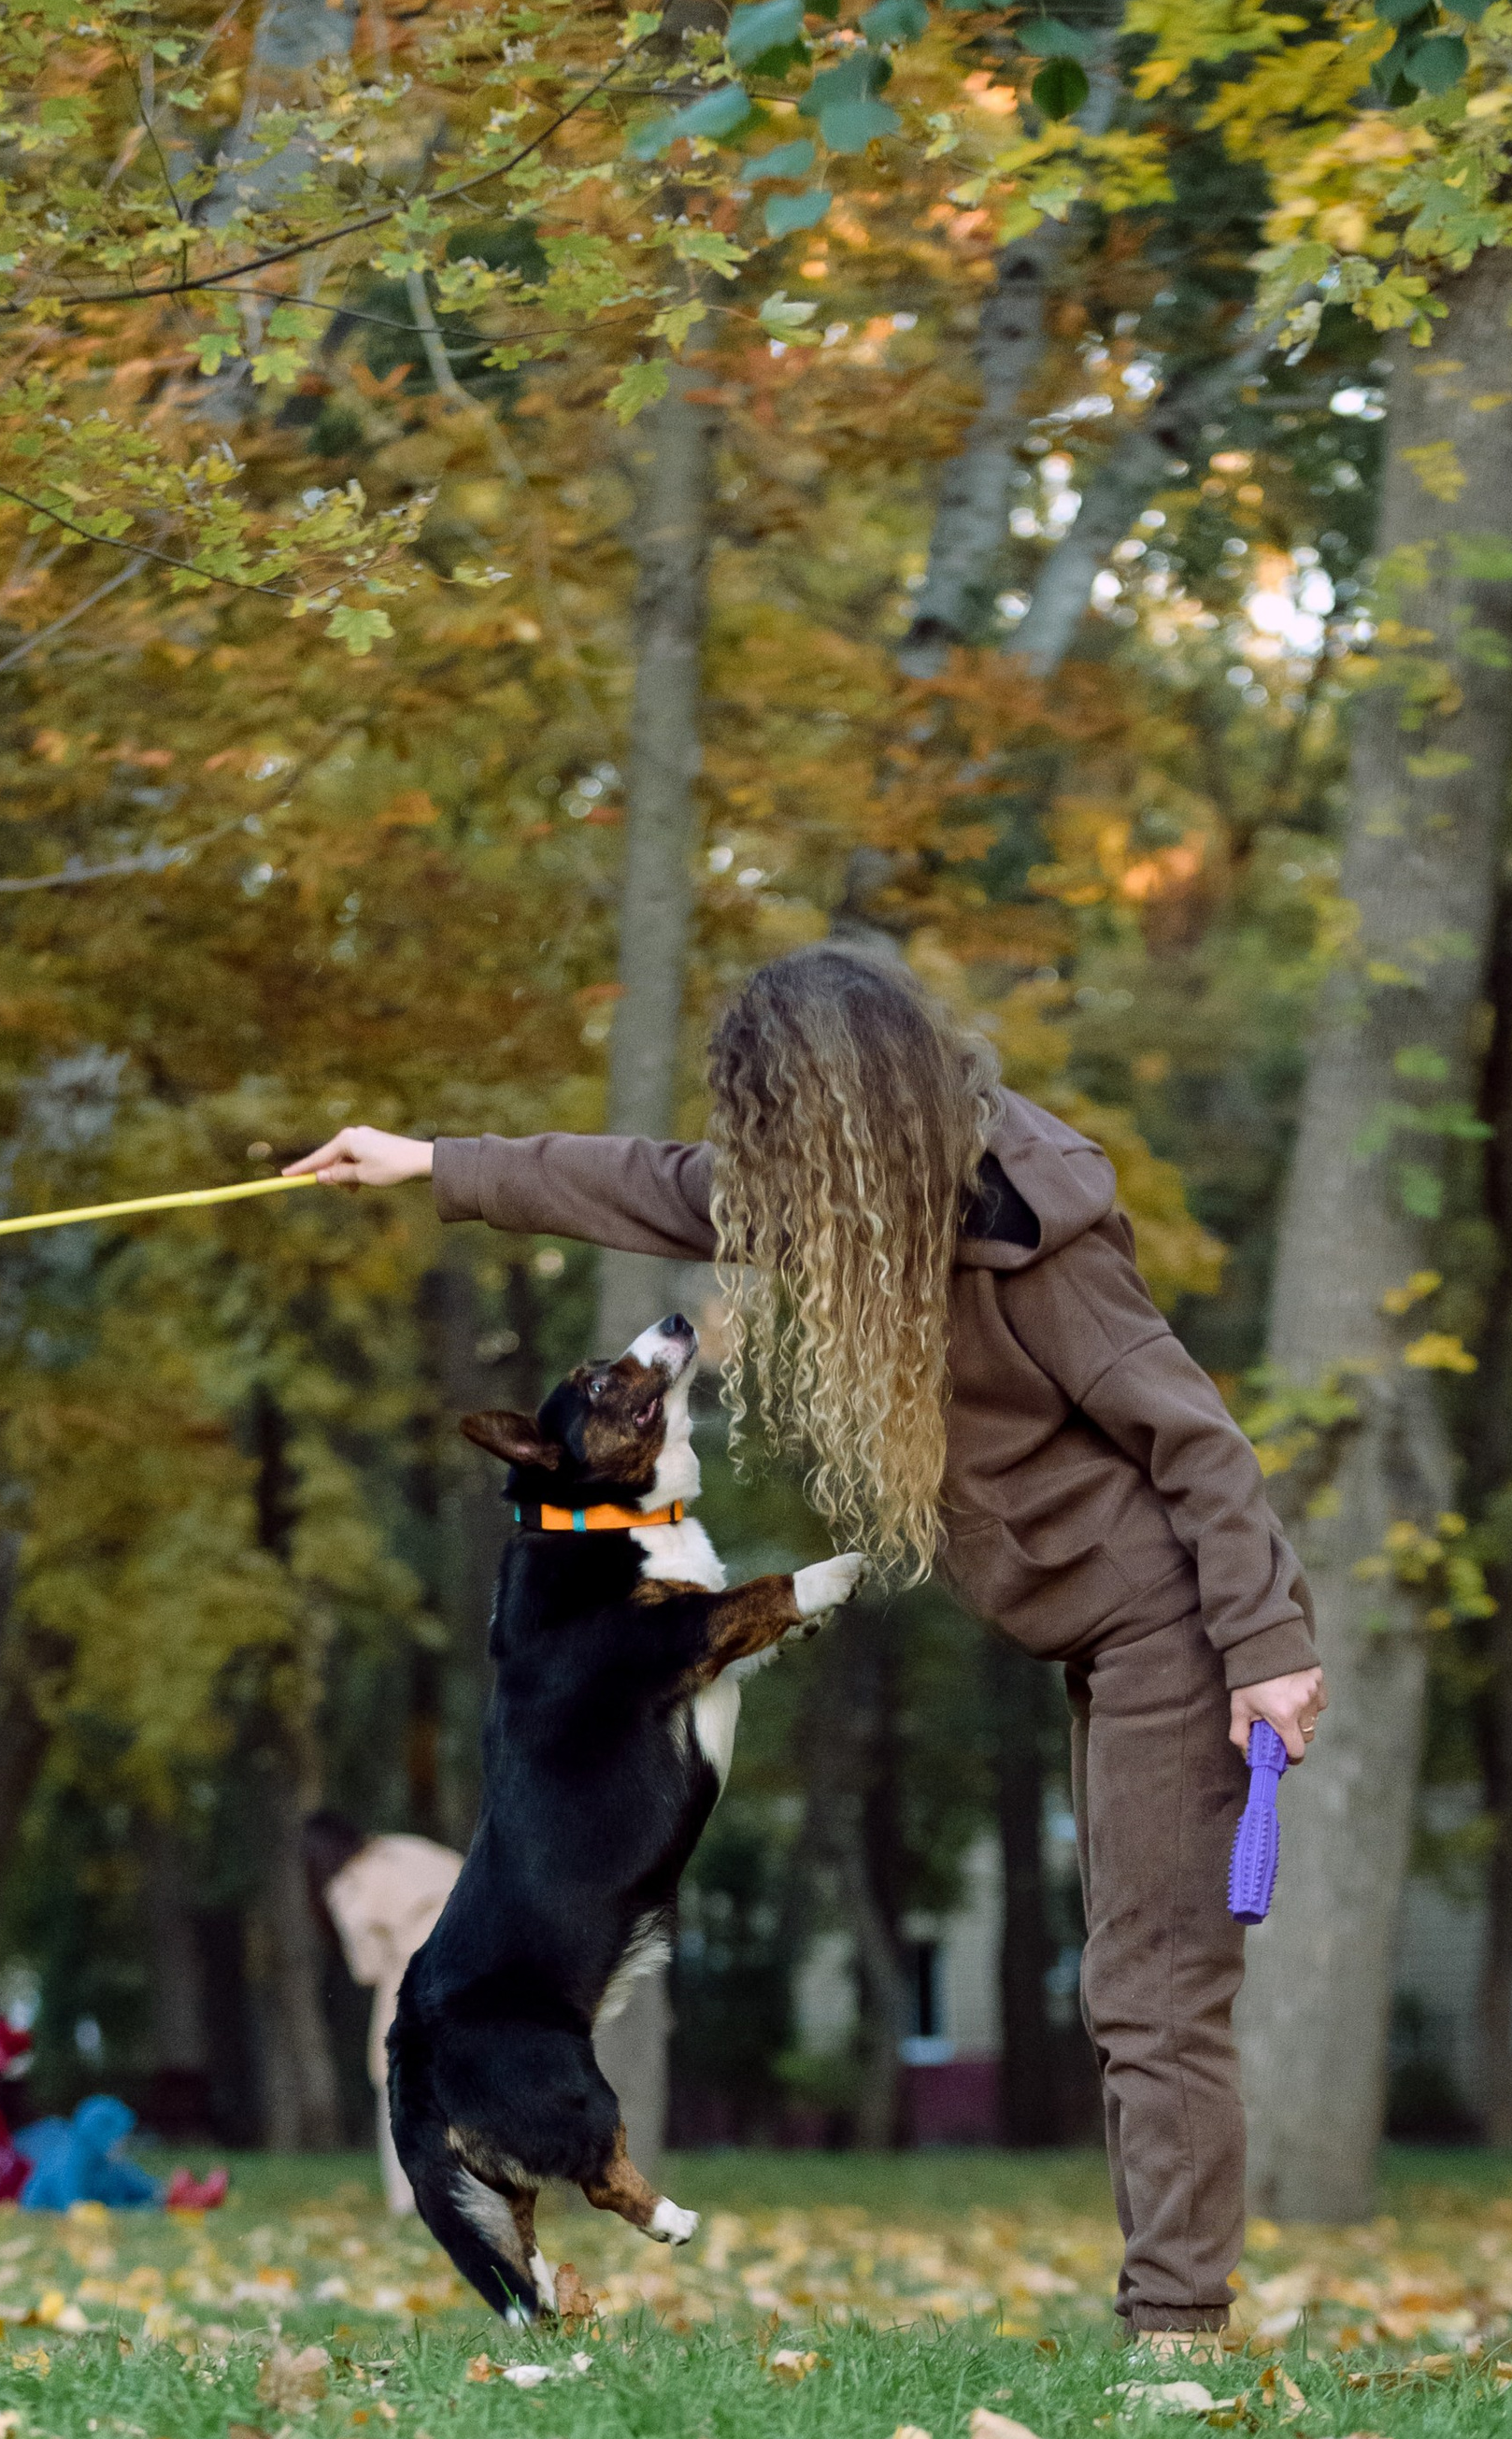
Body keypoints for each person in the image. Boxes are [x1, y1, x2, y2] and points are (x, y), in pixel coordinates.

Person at [289, 943, 1325, 2351]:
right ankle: (1172, 2318)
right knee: (1131, 1991)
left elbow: (1194, 1439)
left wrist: (1264, 1642)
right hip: (1090, 1629)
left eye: (773, 1127)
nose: (751, 1165)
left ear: (846, 1113)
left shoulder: (1033, 1229)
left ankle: (1177, 2333)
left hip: (1175, 1627)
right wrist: (429, 1163)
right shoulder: (836, 1201)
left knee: (1151, 1992)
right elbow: (646, 1180)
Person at [307, 1815, 465, 2216]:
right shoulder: (406, 1846)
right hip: (474, 1964)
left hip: (415, 1979)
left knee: (399, 2087)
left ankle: (412, 2198)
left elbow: (368, 1967)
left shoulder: (349, 1885)